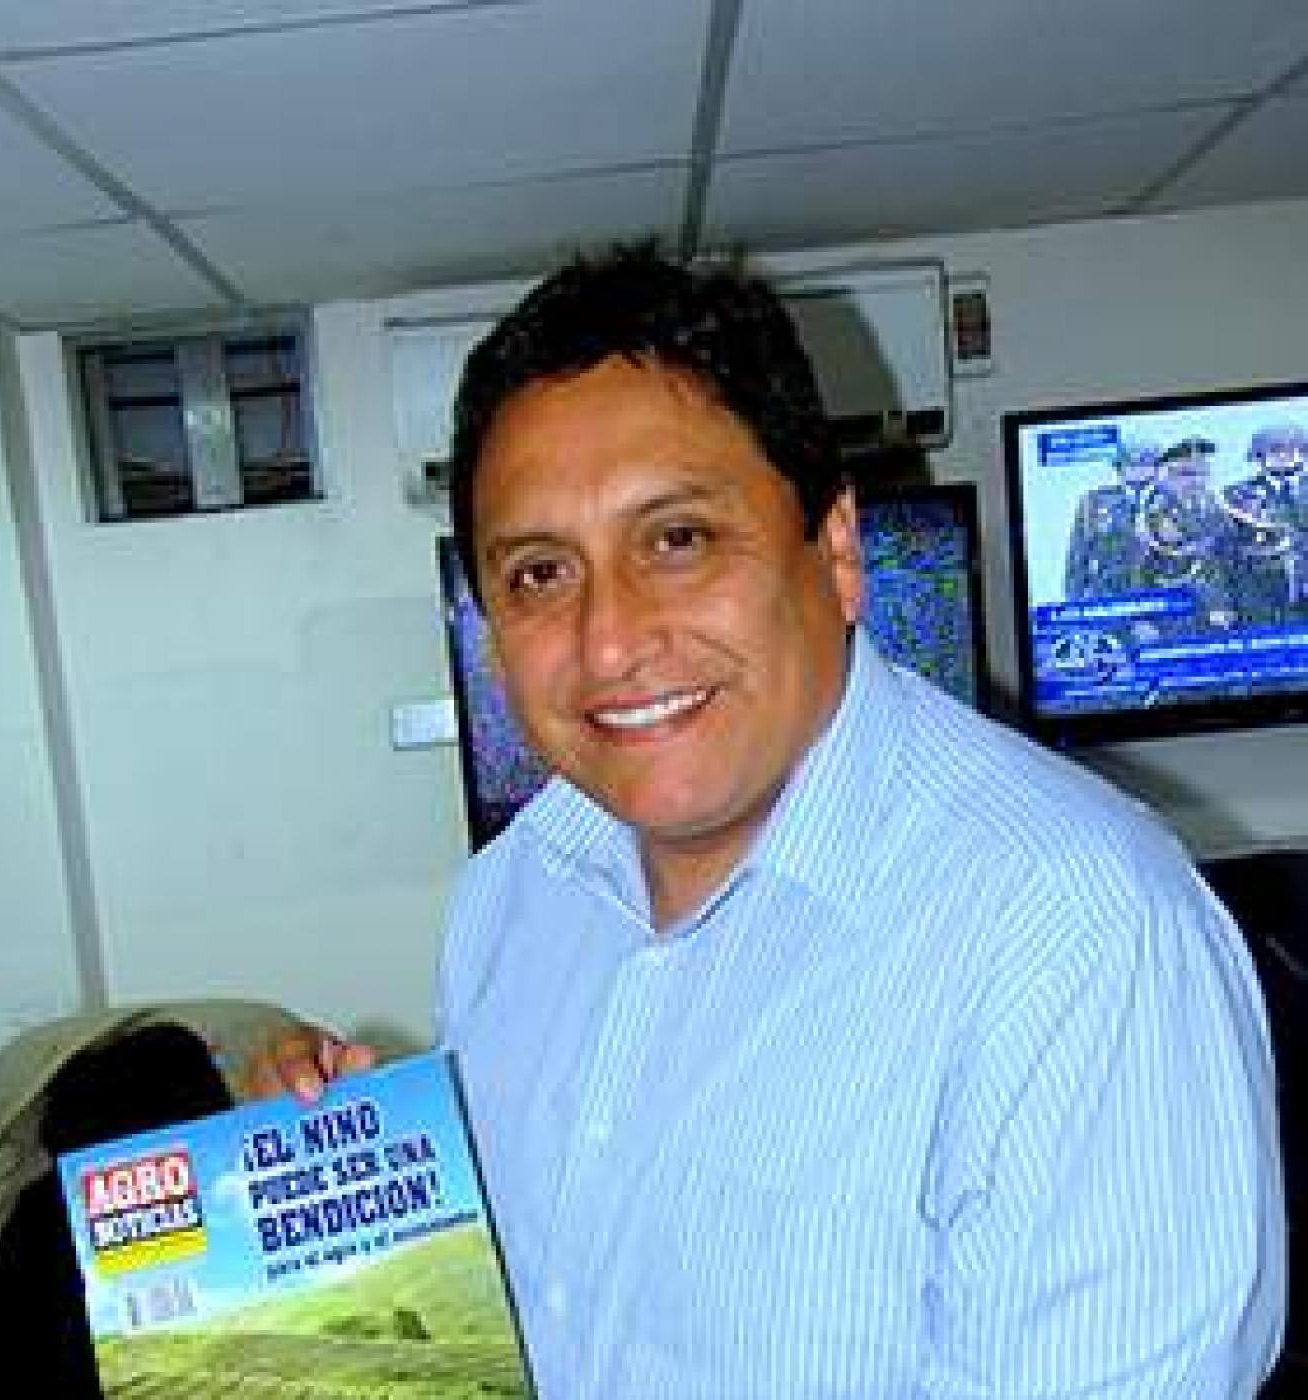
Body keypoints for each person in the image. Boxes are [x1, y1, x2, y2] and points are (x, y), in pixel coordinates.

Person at [250, 244, 1284, 1397]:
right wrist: (337, 1196)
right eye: (539, 572)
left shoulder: (1075, 928)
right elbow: (532, 1312)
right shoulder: (511, 892)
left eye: (676, 539)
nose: (608, 640)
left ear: (834, 550)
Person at [1139, 436, 1238, 636]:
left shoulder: (1219, 507)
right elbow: (1142, 567)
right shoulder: (1155, 511)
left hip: (1221, 611)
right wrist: (1143, 618)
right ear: (1170, 474)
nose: (1196, 481)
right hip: (1175, 610)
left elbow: (1228, 560)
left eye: (1202, 473)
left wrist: (1226, 605)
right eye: (1187, 474)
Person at [1223, 423, 1308, 626]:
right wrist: (1223, 602)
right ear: (1259, 456)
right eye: (1275, 449)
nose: (1284, 455)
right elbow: (1223, 553)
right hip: (1259, 599)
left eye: (1292, 448)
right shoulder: (1236, 496)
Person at [1062, 437, 1160, 600]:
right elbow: (1078, 557)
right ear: (1119, 467)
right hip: (1109, 598)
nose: (1139, 469)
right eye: (1132, 463)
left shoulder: (1169, 501)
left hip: (1160, 598)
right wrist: (1074, 602)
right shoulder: (1095, 502)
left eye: (1146, 462)